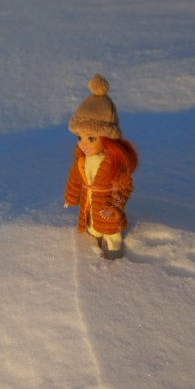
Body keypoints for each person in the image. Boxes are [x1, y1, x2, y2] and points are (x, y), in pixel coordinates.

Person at [64, 74, 138, 259]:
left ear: (107, 138)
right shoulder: (82, 158)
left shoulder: (114, 161)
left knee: (110, 231)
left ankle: (114, 256)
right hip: (89, 201)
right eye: (79, 137)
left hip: (107, 206)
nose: (84, 144)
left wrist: (114, 206)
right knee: (92, 227)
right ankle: (93, 250)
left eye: (91, 138)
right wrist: (71, 198)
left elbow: (125, 187)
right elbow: (75, 178)